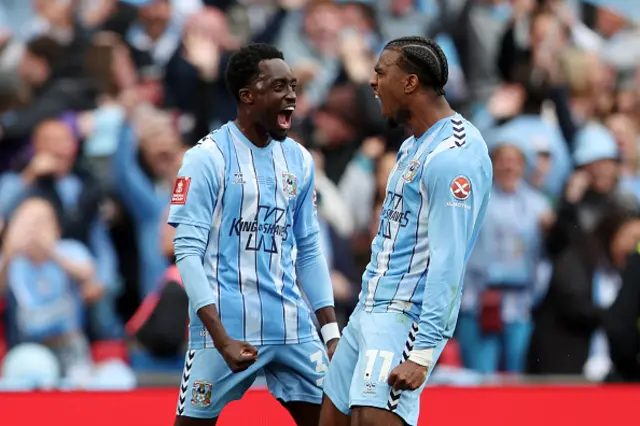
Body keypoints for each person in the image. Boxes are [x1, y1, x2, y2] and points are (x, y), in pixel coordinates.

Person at [320, 36, 493, 426]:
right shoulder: (412, 146)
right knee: (329, 420)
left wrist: (424, 351)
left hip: (405, 319)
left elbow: (449, 262)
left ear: (410, 82)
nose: (372, 81)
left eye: (381, 72)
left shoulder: (454, 157)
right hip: (369, 311)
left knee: (370, 419)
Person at [167, 43, 340, 426]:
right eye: (279, 86)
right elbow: (187, 252)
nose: (292, 96)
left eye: (293, 86)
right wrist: (219, 336)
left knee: (338, 420)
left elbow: (308, 248)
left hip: (292, 326)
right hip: (227, 330)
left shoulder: (299, 159)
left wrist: (330, 332)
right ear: (248, 95)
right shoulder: (207, 158)